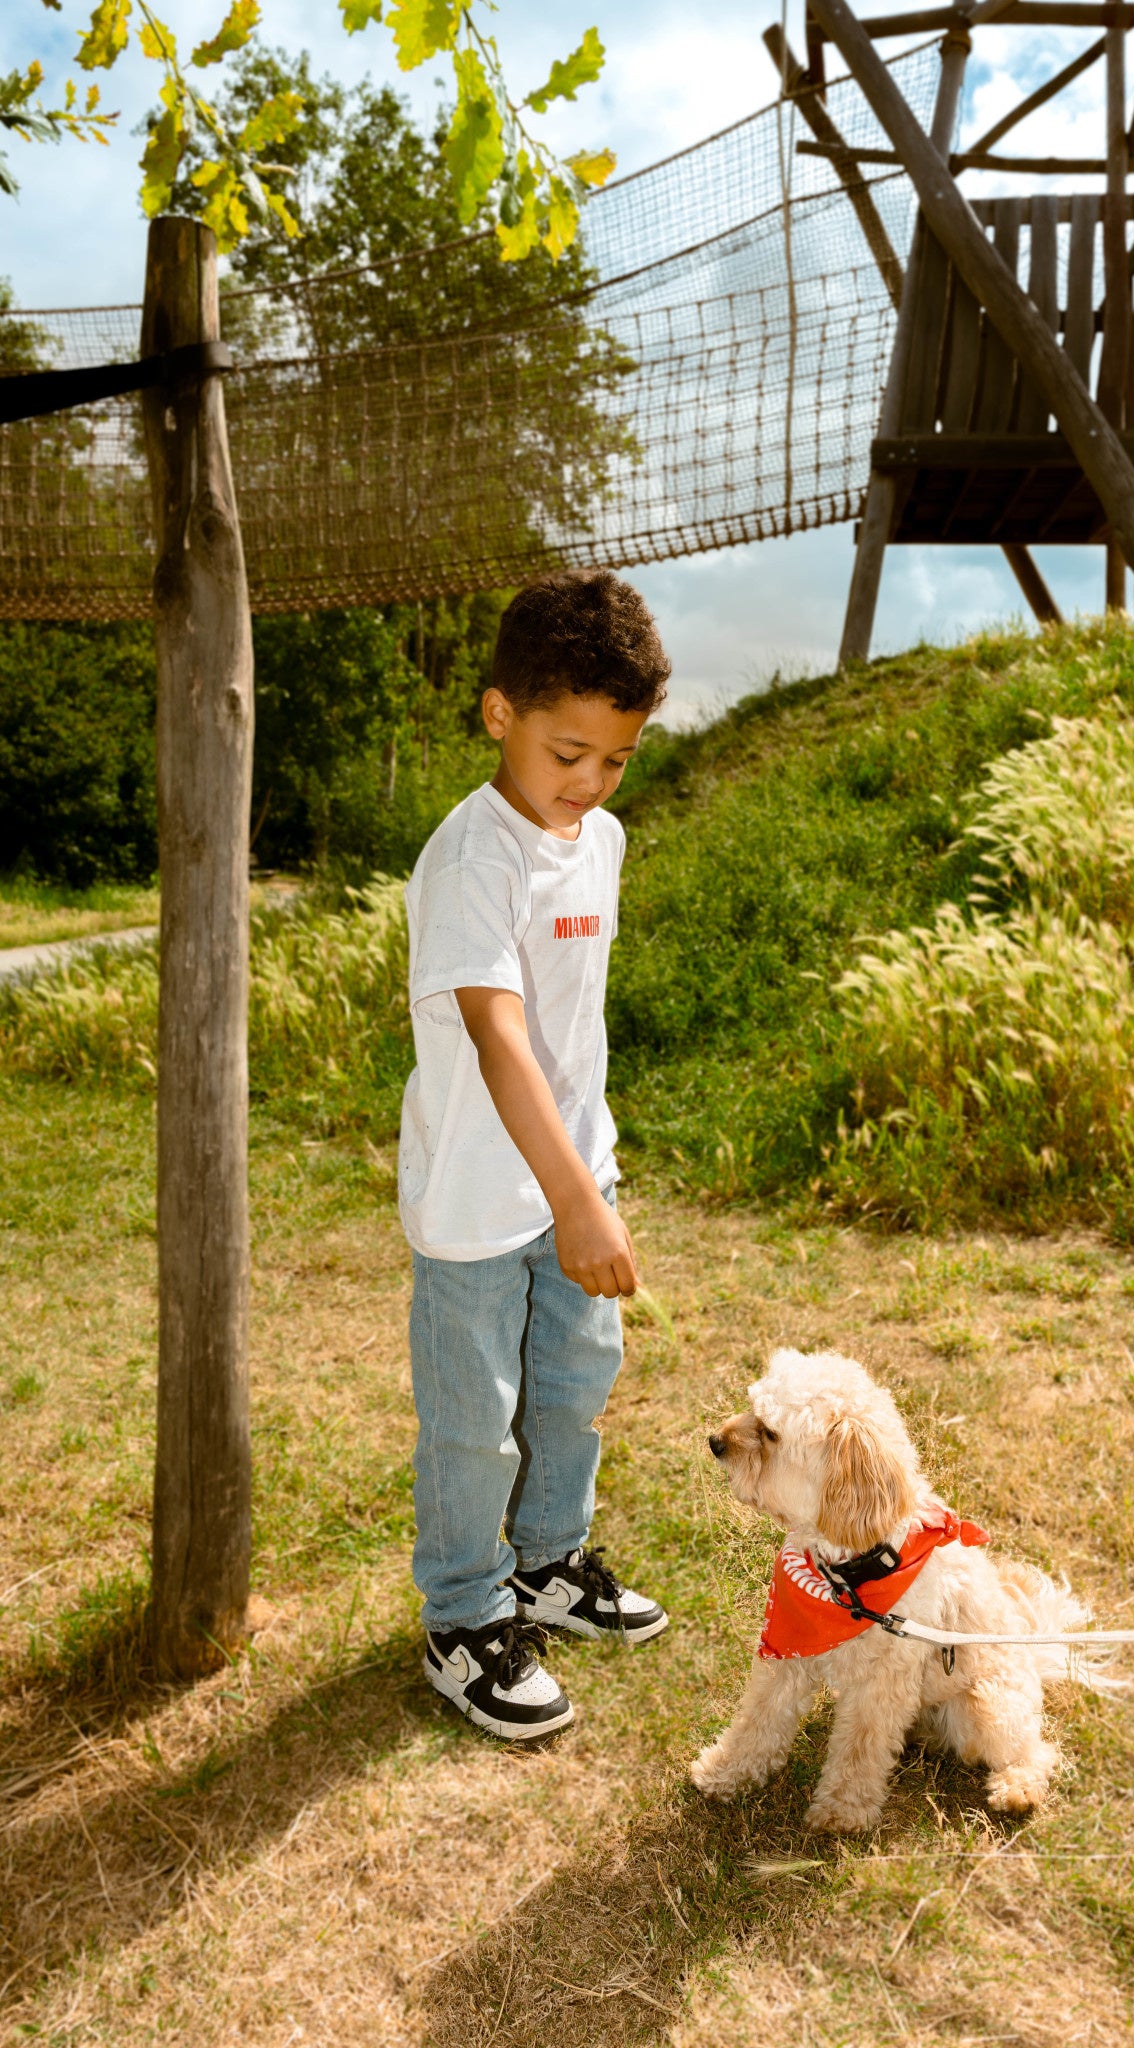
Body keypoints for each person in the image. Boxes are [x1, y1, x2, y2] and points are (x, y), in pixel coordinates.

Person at [399, 568, 672, 1740]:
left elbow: (573, 1023)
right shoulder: (475, 858)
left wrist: (589, 1174)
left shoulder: (599, 838)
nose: (592, 781)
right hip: (479, 1198)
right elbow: (499, 1036)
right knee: (476, 1423)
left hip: (574, 1176)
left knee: (573, 1387)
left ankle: (550, 1562)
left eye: (617, 758)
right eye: (570, 752)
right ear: (499, 712)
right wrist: (576, 1201)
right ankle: (464, 1616)